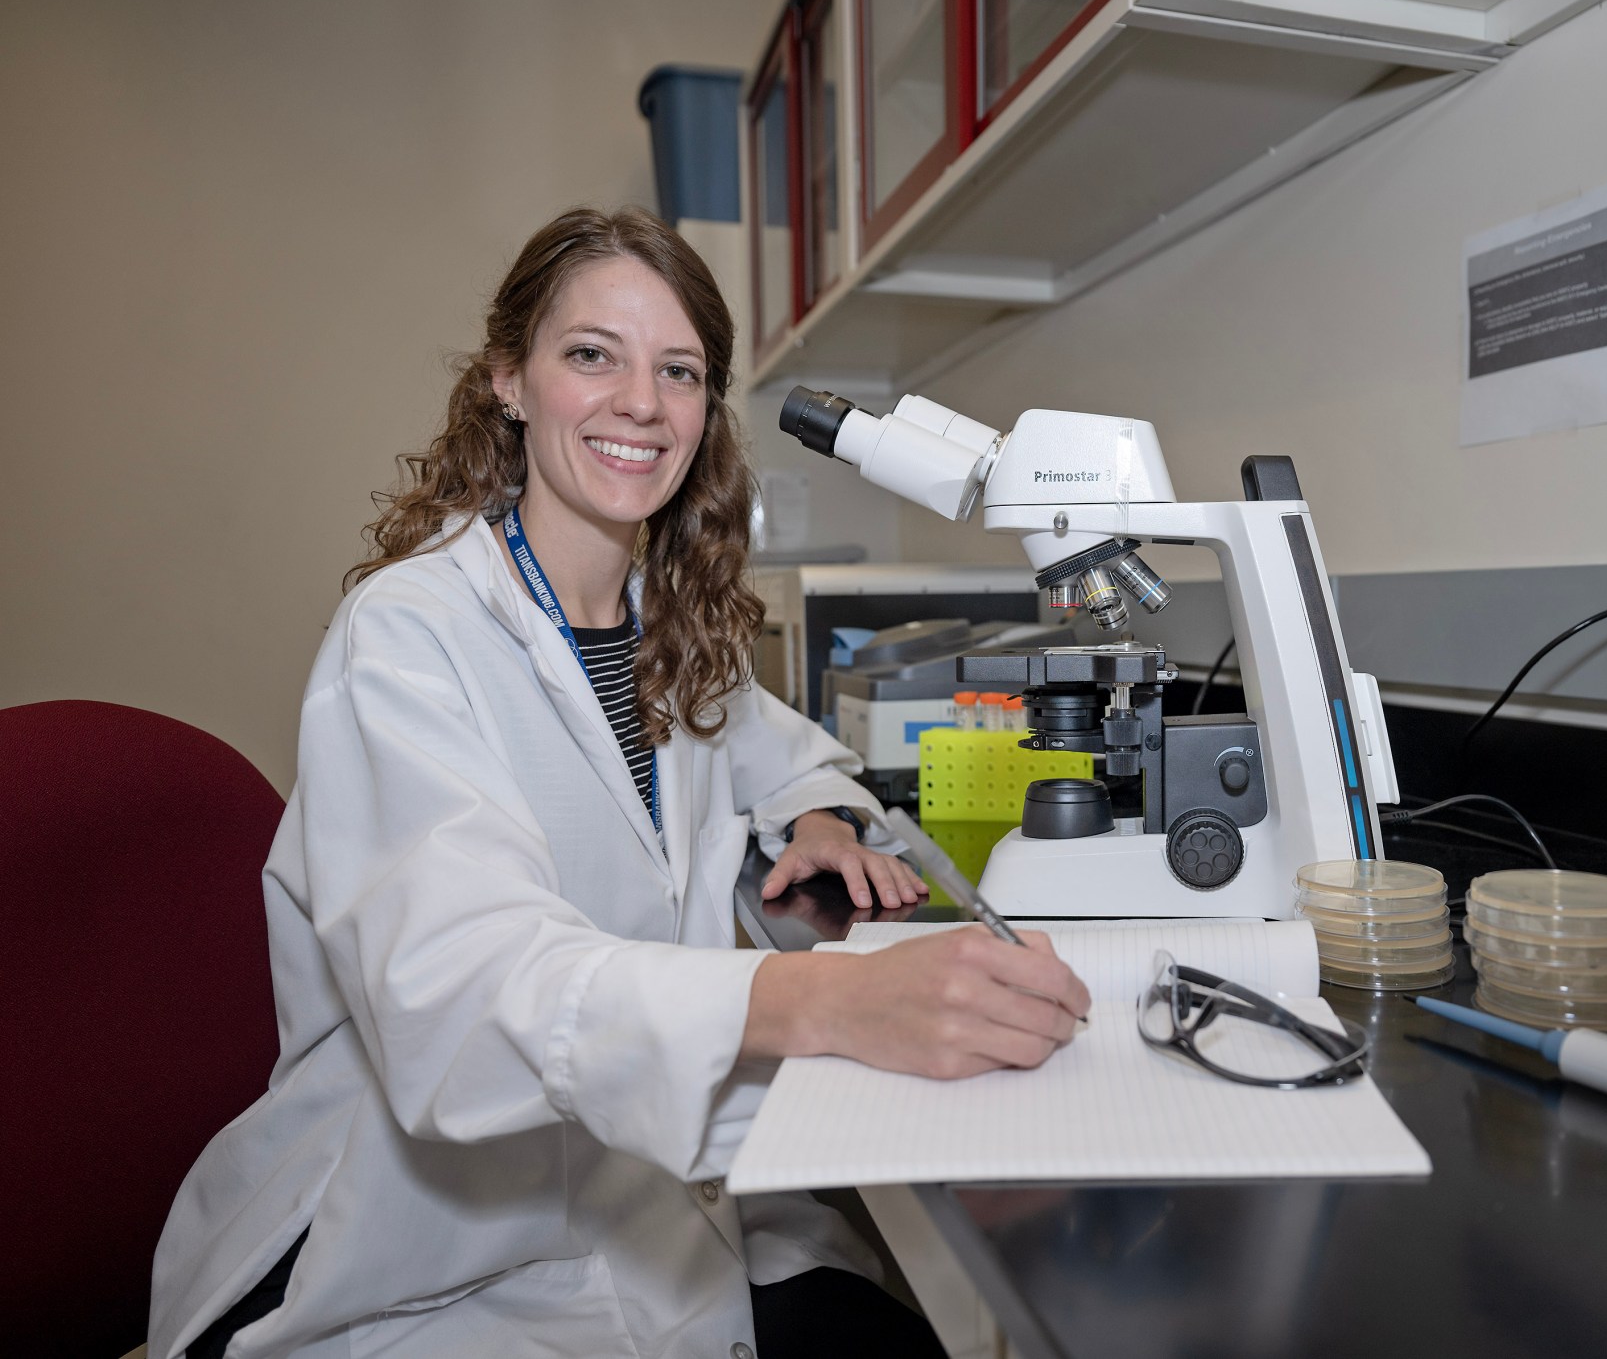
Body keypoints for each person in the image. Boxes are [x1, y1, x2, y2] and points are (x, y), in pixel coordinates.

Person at [149, 206, 1092, 1359]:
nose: (640, 402)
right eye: (591, 354)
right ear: (508, 377)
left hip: (641, 1194)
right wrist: (827, 1003)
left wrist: (825, 812)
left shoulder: (670, 626)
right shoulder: (403, 639)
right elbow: (466, 998)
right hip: (424, 1250)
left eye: (679, 370)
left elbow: (780, 748)